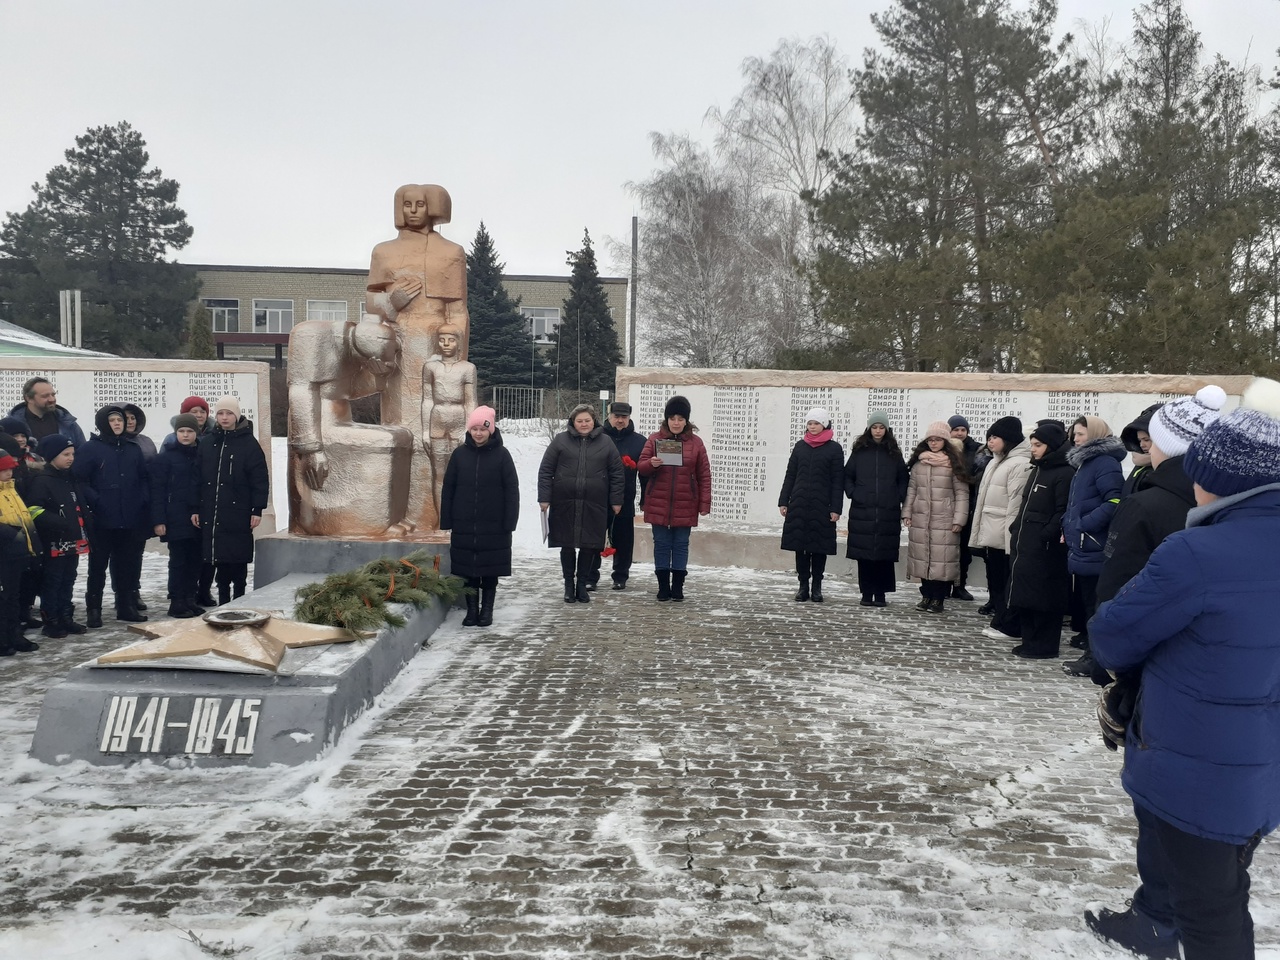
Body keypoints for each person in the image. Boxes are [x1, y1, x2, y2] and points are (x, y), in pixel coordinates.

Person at [1087, 377, 1280, 960]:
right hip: (1260, 760)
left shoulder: (1197, 554)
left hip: (1198, 760)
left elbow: (1112, 635)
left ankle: (1159, 928)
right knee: (1226, 887)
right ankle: (1151, 921)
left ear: (1220, 483)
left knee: (1209, 915)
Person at [440, 405, 519, 627]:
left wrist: (509, 520)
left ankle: (487, 611)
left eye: (483, 429)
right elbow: (449, 488)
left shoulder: (502, 456)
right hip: (464, 522)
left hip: (493, 524)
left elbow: (512, 489)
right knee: (468, 570)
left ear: (490, 430)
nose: (478, 433)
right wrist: (447, 519)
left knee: (489, 570)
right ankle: (472, 611)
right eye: (474, 429)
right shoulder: (459, 455)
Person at [72, 403, 151, 626]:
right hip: (102, 518)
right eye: (112, 420)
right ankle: (93, 610)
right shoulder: (90, 448)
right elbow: (79, 479)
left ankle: (126, 607)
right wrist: (96, 499)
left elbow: (143, 477)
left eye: (120, 420)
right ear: (102, 424)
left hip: (129, 516)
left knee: (126, 564)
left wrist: (142, 497)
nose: (117, 424)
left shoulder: (132, 448)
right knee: (98, 566)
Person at [1060, 416, 1126, 676]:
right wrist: (1069, 525)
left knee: (1095, 604)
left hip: (1095, 543)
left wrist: (1085, 524)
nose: (1075, 439)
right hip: (1083, 543)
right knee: (1087, 601)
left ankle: (1094, 658)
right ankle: (1090, 651)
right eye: (1074, 435)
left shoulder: (1105, 463)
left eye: (1080, 435)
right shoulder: (1085, 463)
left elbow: (1115, 500)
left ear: (1096, 435)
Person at [538, 404, 623, 604]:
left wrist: (616, 500)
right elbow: (545, 470)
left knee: (589, 546)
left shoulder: (606, 442)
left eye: (587, 420)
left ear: (594, 421)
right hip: (564, 502)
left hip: (594, 503)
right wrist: (544, 498)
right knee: (567, 545)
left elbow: (617, 473)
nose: (584, 424)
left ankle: (582, 584)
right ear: (572, 422)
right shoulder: (560, 441)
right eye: (579, 421)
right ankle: (569, 585)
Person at [1005, 420, 1074, 658]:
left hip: (1045, 546)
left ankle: (1044, 645)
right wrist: (1016, 528)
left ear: (1051, 446)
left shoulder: (1064, 472)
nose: (1033, 449)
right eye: (1032, 444)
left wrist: (1048, 533)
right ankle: (1029, 640)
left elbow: (1062, 509)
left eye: (1038, 445)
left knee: (1044, 596)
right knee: (1026, 594)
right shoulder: (1038, 469)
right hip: (1026, 542)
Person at [195, 396, 269, 605]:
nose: (224, 418)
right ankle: (223, 601)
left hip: (239, 512)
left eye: (229, 413)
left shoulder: (248, 444)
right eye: (220, 413)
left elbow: (259, 479)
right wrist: (195, 507)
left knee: (237, 558)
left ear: (236, 416)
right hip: (212, 510)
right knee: (218, 559)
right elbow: (197, 477)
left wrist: (257, 509)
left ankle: (240, 600)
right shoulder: (208, 442)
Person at [638, 396, 713, 602]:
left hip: (685, 501)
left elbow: (704, 475)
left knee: (681, 544)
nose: (676, 422)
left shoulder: (696, 444)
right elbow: (641, 466)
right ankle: (663, 587)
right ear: (666, 419)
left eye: (681, 418)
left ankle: (678, 587)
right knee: (661, 544)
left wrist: (704, 503)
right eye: (672, 418)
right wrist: (651, 464)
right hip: (658, 501)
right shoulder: (654, 439)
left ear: (687, 420)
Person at [968, 417, 1032, 638]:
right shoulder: (997, 461)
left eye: (995, 437)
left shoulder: (1019, 464)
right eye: (989, 437)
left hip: (1004, 535)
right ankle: (1000, 619)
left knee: (1006, 580)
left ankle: (1010, 624)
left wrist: (1009, 542)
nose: (990, 442)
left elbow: (1014, 506)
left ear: (1008, 439)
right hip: (992, 533)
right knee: (996, 580)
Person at [25, 435, 90, 638]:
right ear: (53, 456)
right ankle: (51, 621)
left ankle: (65, 617)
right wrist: (58, 522)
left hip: (73, 538)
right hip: (54, 540)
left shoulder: (69, 478)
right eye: (65, 455)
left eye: (72, 454)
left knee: (69, 578)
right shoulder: (42, 480)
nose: (70, 458)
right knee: (53, 580)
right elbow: (34, 510)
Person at [902, 420, 970, 613]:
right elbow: (912, 490)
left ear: (945, 441)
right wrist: (907, 512)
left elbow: (962, 494)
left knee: (942, 560)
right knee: (923, 558)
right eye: (931, 440)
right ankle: (926, 595)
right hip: (921, 518)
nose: (934, 443)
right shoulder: (919, 465)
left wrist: (959, 519)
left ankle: (938, 598)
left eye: (938, 440)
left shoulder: (953, 463)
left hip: (945, 519)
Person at [778, 407, 844, 602]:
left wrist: (836, 508)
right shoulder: (800, 446)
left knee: (819, 548)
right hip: (799, 503)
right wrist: (784, 501)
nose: (812, 427)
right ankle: (803, 585)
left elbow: (837, 481)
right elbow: (790, 475)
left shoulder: (834, 449)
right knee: (801, 547)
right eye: (810, 423)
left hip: (822, 505)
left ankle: (817, 586)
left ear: (824, 424)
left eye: (816, 423)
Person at [844, 411, 908, 607]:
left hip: (887, 511)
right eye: (874, 427)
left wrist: (897, 497)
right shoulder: (860, 451)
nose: (878, 431)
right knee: (865, 556)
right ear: (869, 429)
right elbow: (848, 476)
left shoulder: (894, 452)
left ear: (887, 429)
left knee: (884, 555)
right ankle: (866, 592)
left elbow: (903, 478)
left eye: (881, 427)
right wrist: (855, 493)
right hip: (863, 510)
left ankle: (881, 594)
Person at [420, 324, 478, 522]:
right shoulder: (430, 367)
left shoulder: (467, 368)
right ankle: (441, 519)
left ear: (458, 342)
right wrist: (425, 431)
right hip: (437, 417)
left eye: (451, 339)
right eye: (442, 339)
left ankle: (458, 517)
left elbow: (471, 401)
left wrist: (469, 429)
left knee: (460, 473)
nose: (446, 344)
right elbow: (427, 400)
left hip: (458, 418)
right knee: (439, 474)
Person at [150, 413, 204, 618]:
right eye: (181, 431)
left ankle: (190, 597)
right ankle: (176, 601)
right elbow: (158, 490)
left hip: (197, 517)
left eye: (190, 431)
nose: (185, 435)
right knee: (178, 560)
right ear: (176, 433)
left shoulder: (202, 455)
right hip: (175, 517)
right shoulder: (165, 458)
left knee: (195, 560)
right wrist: (159, 520)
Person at [601, 401, 647, 590]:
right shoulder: (598, 436)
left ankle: (620, 576)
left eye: (624, 417)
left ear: (629, 418)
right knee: (594, 539)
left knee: (624, 540)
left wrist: (645, 498)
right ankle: (590, 576)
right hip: (598, 497)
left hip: (625, 498)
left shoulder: (639, 442)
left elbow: (644, 474)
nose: (620, 420)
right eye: (616, 416)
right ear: (609, 416)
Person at [0, 451, 40, 656]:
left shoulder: (12, 490)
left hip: (17, 552)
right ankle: (3, 638)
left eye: (9, 468)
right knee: (4, 597)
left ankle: (14, 633)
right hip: (4, 552)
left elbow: (24, 519)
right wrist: (10, 534)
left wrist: (31, 542)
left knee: (14, 596)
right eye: (3, 469)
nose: (8, 472)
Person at [948, 415, 985, 601]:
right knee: (945, 549)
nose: (960, 433)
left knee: (963, 550)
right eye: (956, 429)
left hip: (968, 506)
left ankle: (959, 586)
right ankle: (943, 585)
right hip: (945, 506)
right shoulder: (943, 448)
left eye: (963, 429)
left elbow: (979, 476)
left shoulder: (976, 450)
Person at [8, 377, 85, 448]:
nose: (51, 399)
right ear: (29, 398)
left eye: (53, 395)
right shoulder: (12, 424)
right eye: (45, 396)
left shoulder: (67, 423)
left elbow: (82, 452)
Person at [1119, 403, 1163, 497]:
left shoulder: (1160, 467)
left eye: (1146, 440)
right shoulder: (1140, 463)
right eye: (1139, 440)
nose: (1142, 445)